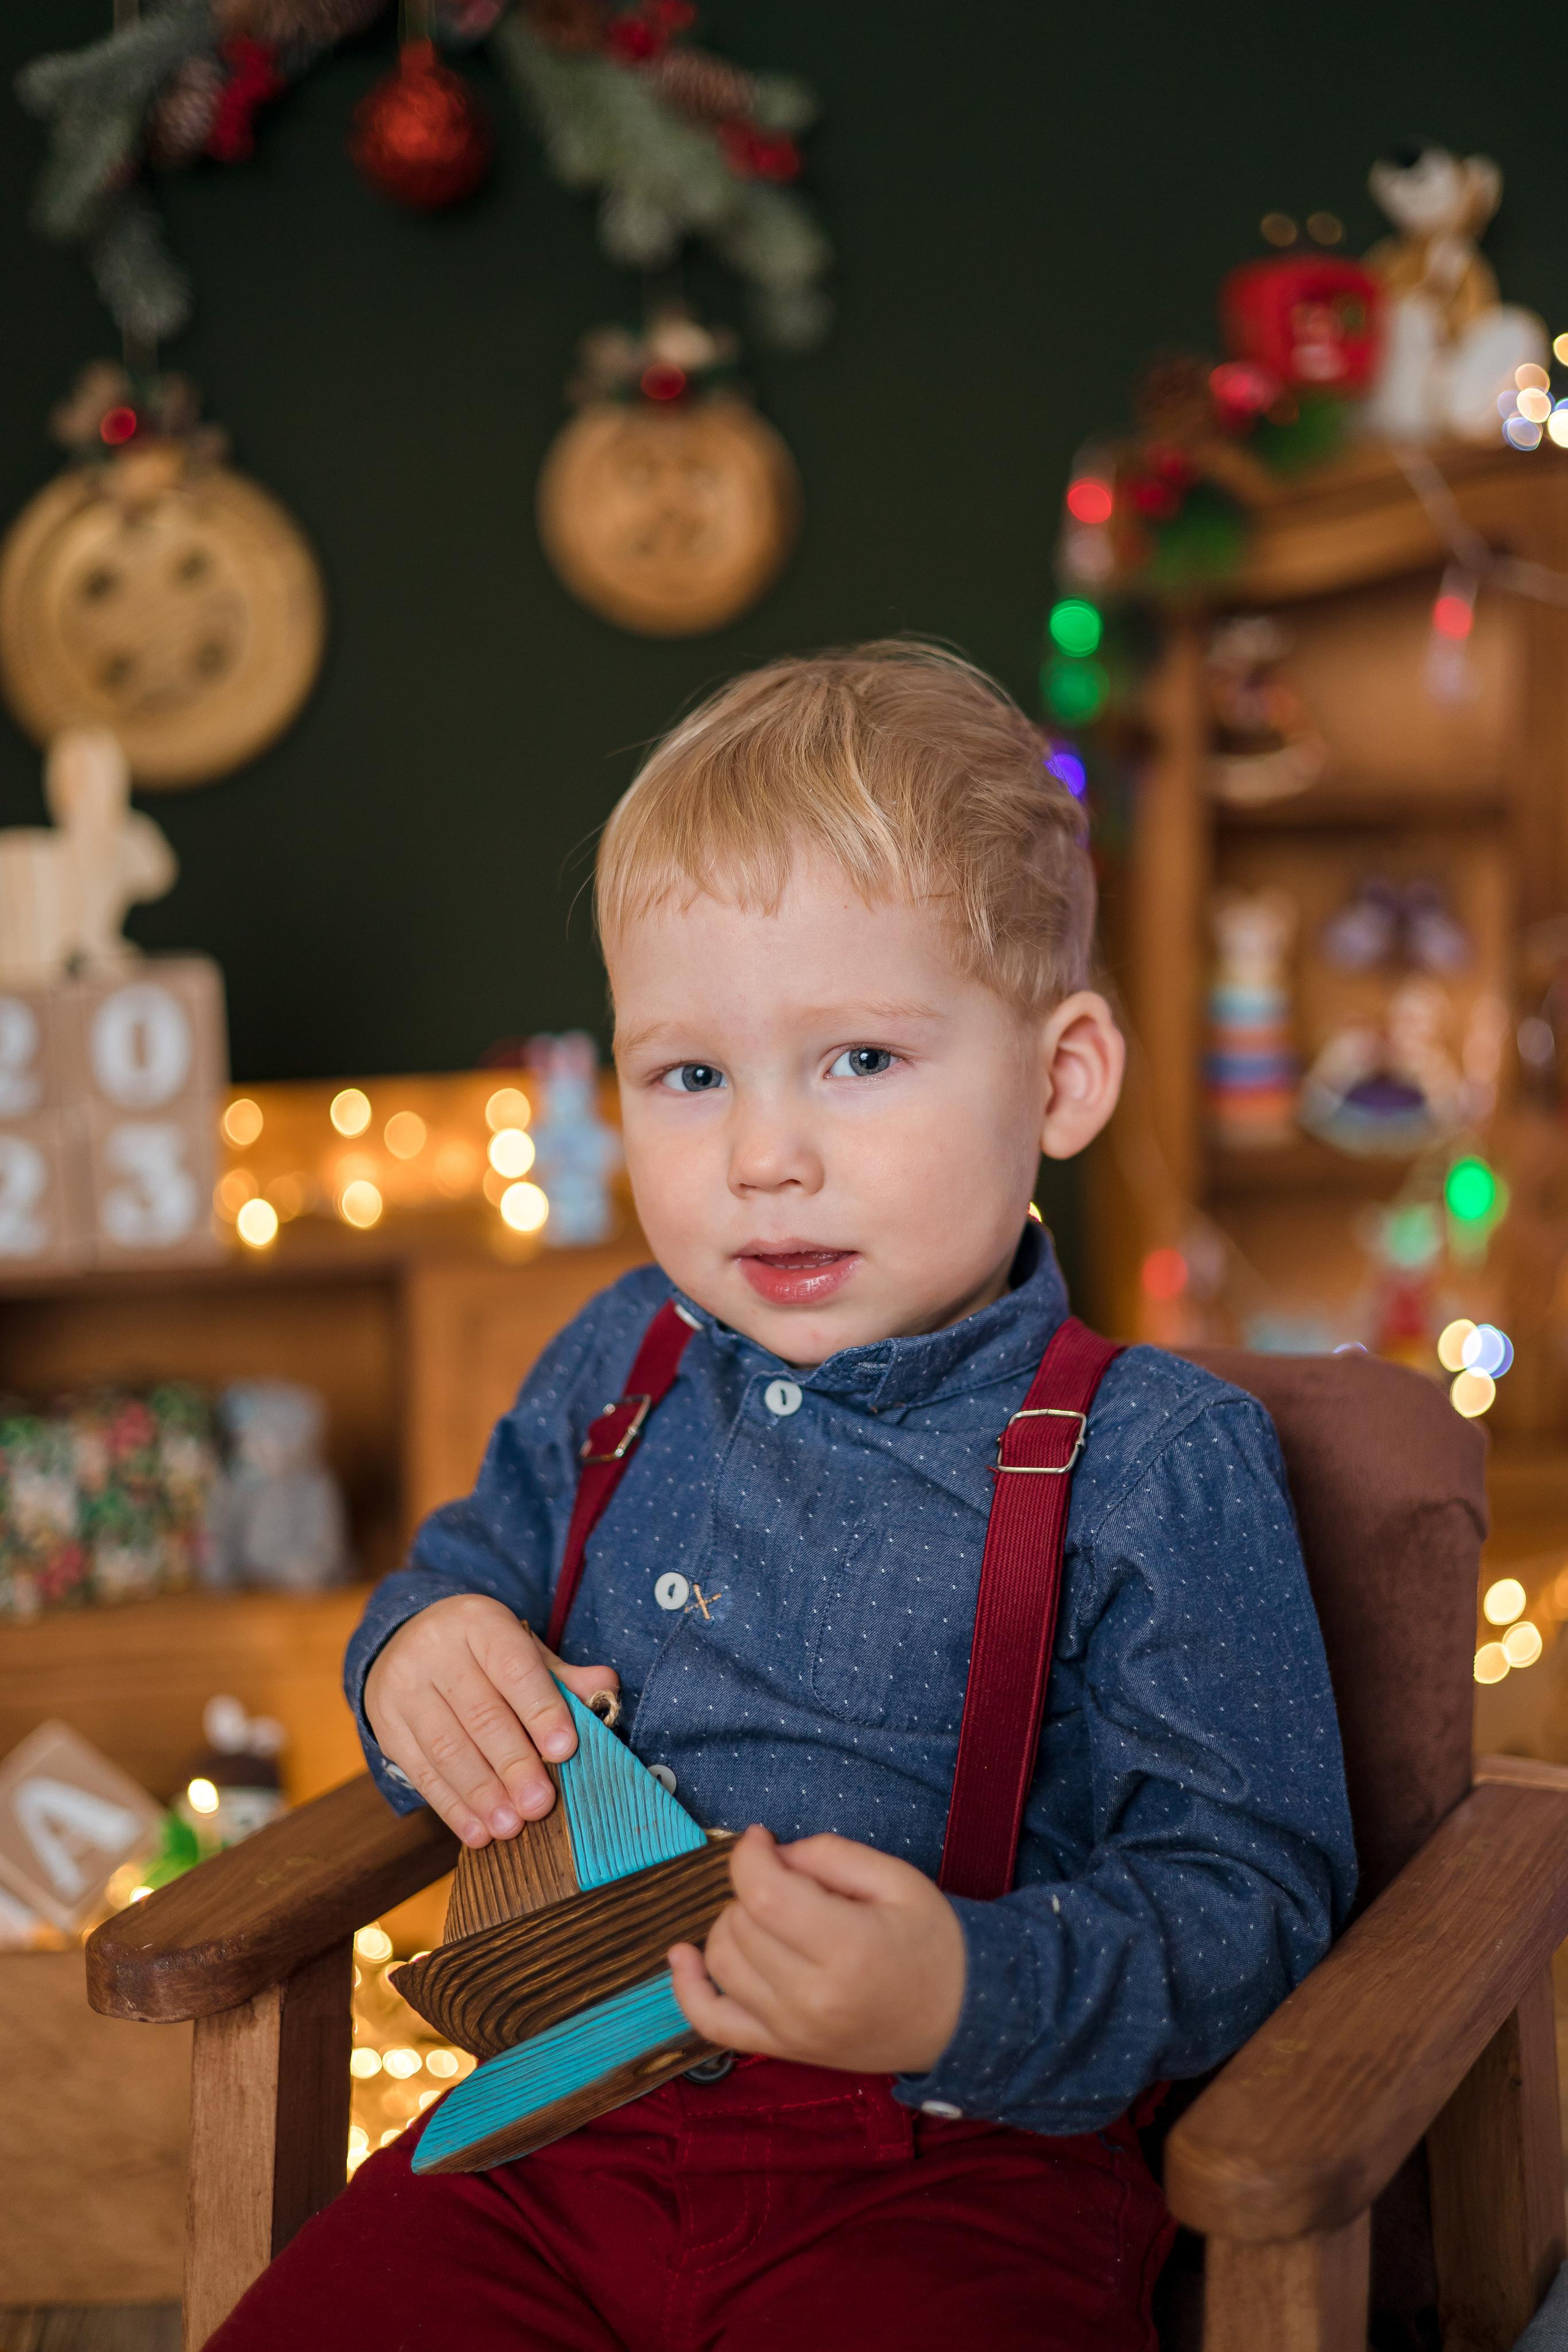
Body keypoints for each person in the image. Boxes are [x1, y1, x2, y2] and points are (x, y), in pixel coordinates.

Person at [210, 642, 1354, 2351]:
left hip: (948, 2169)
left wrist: (966, 1991)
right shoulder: (622, 1358)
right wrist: (421, 1651)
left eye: (860, 1061)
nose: (765, 1156)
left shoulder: (1150, 1458)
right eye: (693, 1075)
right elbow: (468, 1565)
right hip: (549, 2135)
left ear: (1061, 1079)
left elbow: (1252, 1898)